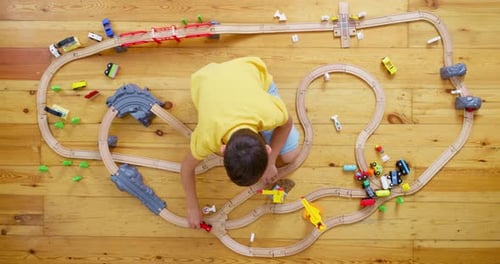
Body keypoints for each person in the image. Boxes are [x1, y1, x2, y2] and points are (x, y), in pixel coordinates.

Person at [181, 57, 300, 228]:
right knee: (288, 154)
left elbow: (287, 122)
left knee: (289, 156)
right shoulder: (207, 136)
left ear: (223, 150)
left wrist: (272, 161)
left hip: (244, 73)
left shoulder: (268, 111)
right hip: (208, 78)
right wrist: (192, 206)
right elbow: (186, 168)